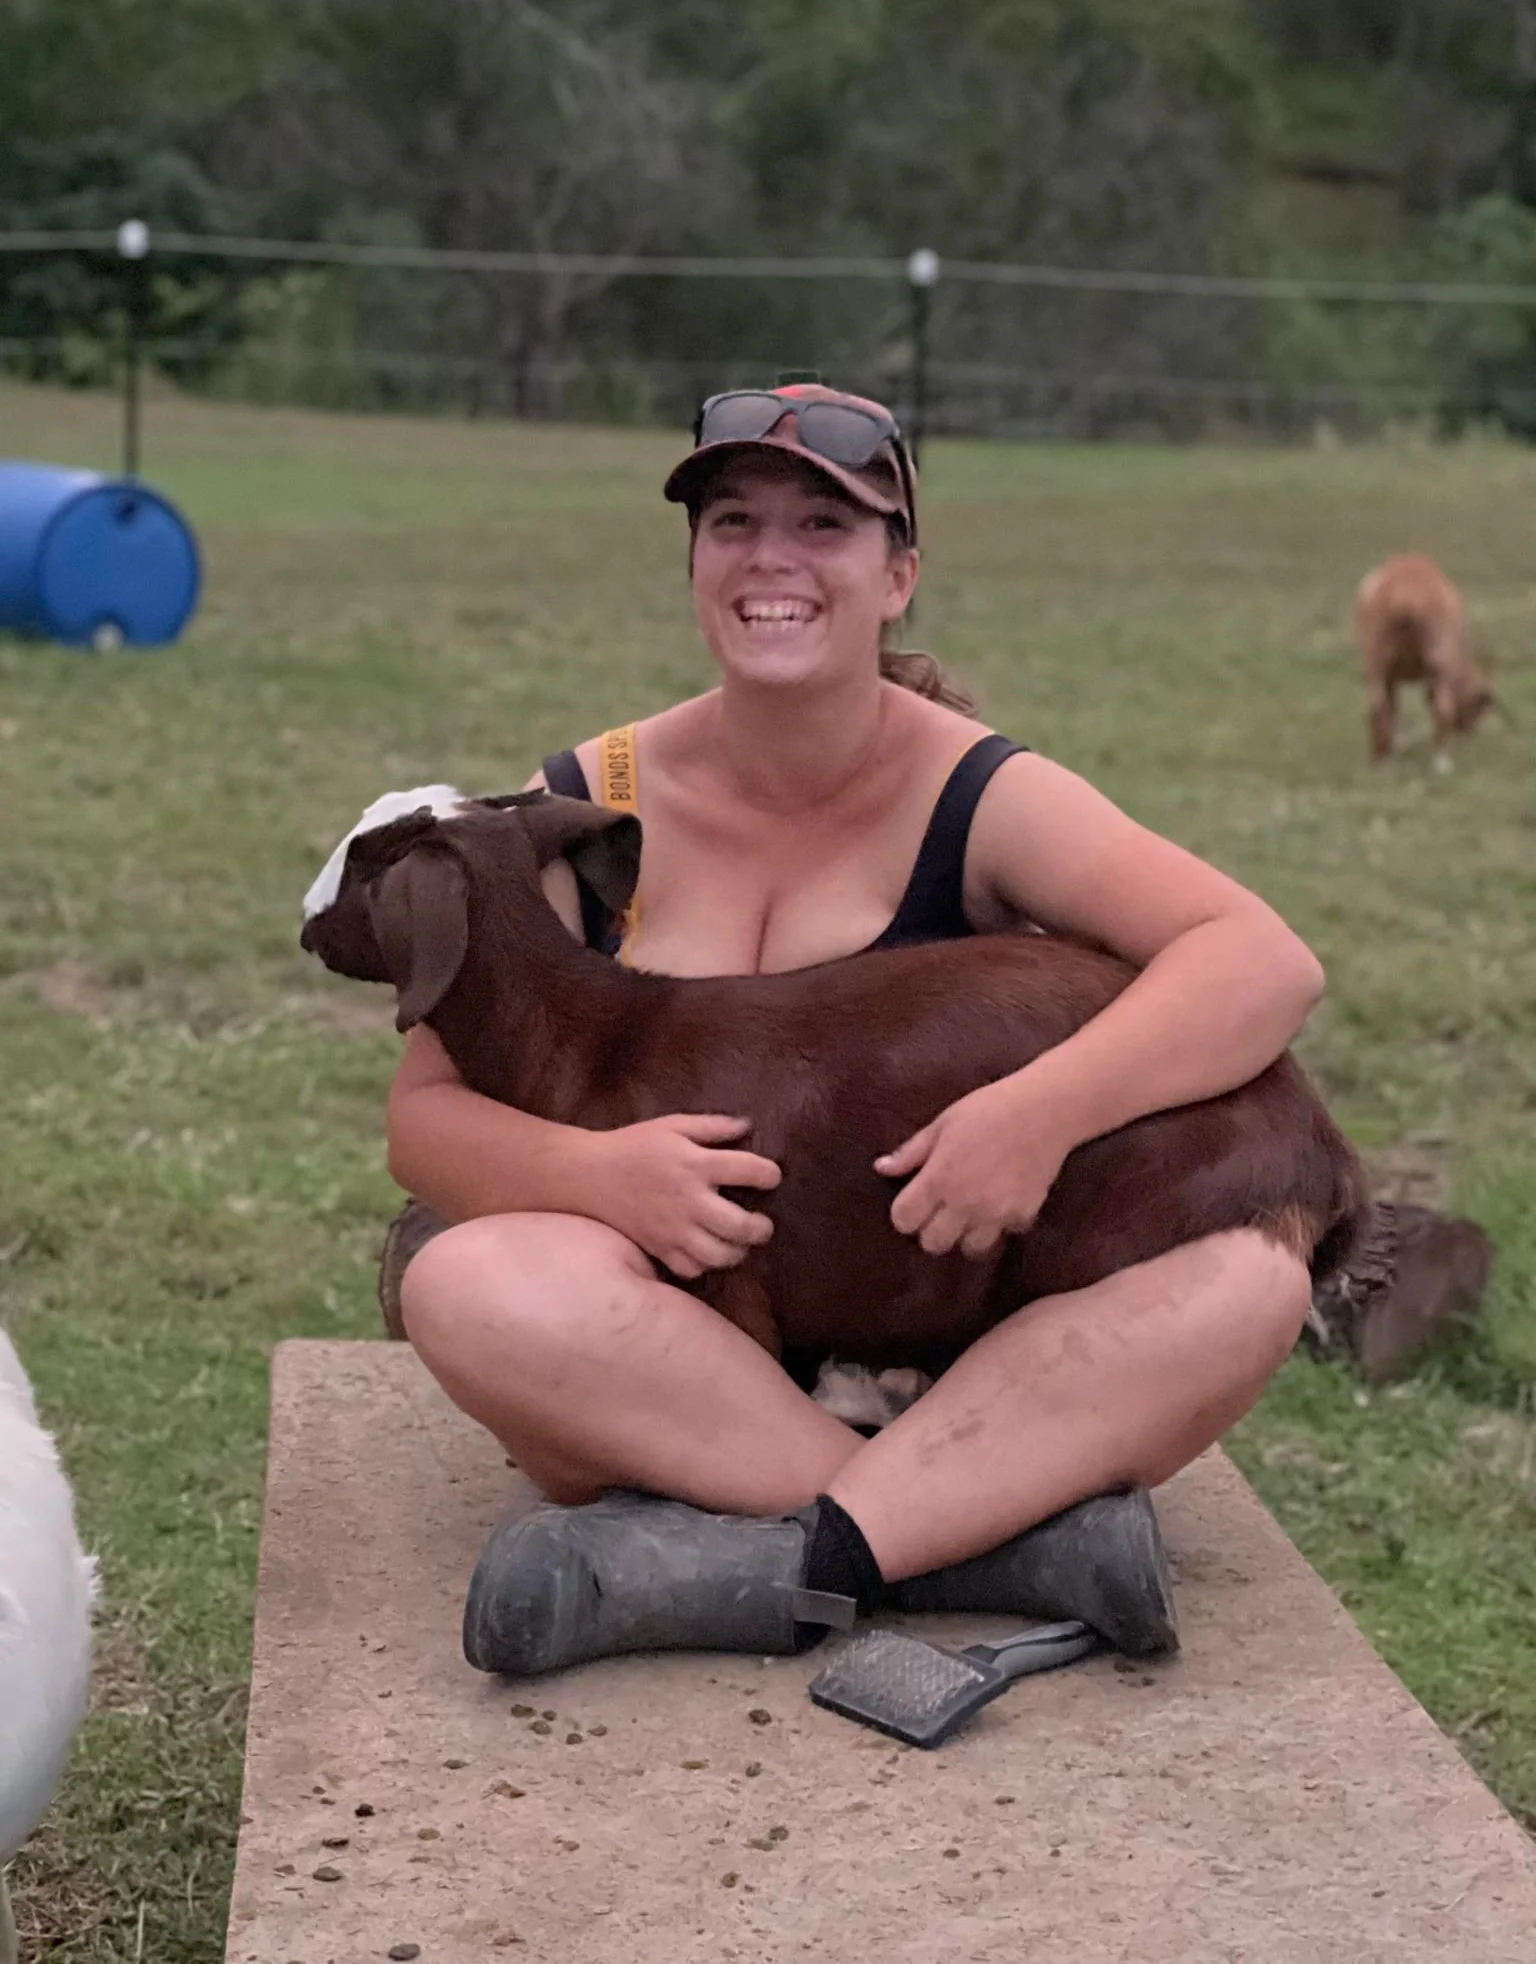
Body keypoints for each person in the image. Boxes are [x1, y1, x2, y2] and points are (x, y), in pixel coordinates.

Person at [386, 385, 1322, 1676]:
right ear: (697, 566)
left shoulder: (979, 789)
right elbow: (424, 1121)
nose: (772, 559)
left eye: (824, 523)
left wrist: (1037, 1113)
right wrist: (596, 1176)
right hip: (673, 1351)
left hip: (954, 1353)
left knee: (1248, 1285)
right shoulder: (577, 801)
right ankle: (968, 1540)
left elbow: (1262, 962)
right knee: (465, 1281)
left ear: (899, 577)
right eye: (733, 523)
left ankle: (751, 1561)